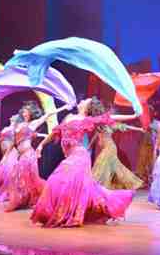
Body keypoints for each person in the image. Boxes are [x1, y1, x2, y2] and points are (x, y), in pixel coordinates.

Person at [31, 97, 137, 227]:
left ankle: (65, 213)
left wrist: (133, 115)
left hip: (79, 156)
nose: (82, 101)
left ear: (87, 107)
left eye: (85, 100)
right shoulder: (69, 117)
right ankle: (59, 212)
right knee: (86, 188)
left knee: (57, 180)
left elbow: (110, 117)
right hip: (70, 156)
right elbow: (54, 133)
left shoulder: (87, 120)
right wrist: (41, 145)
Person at [4, 101, 70, 212]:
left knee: (28, 178)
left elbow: (48, 114)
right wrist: (6, 155)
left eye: (27, 111)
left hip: (29, 154)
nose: (24, 112)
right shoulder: (19, 125)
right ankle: (24, 200)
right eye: (24, 111)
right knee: (21, 178)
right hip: (21, 155)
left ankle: (45, 196)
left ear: (31, 113)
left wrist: (63, 107)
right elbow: (13, 142)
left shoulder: (33, 124)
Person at [90, 98, 145, 190]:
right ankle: (105, 186)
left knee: (101, 165)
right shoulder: (99, 122)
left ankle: (98, 186)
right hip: (106, 148)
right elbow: (96, 135)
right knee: (114, 167)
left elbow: (125, 126)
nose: (110, 112)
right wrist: (89, 145)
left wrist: (139, 128)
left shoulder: (111, 123)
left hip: (110, 147)